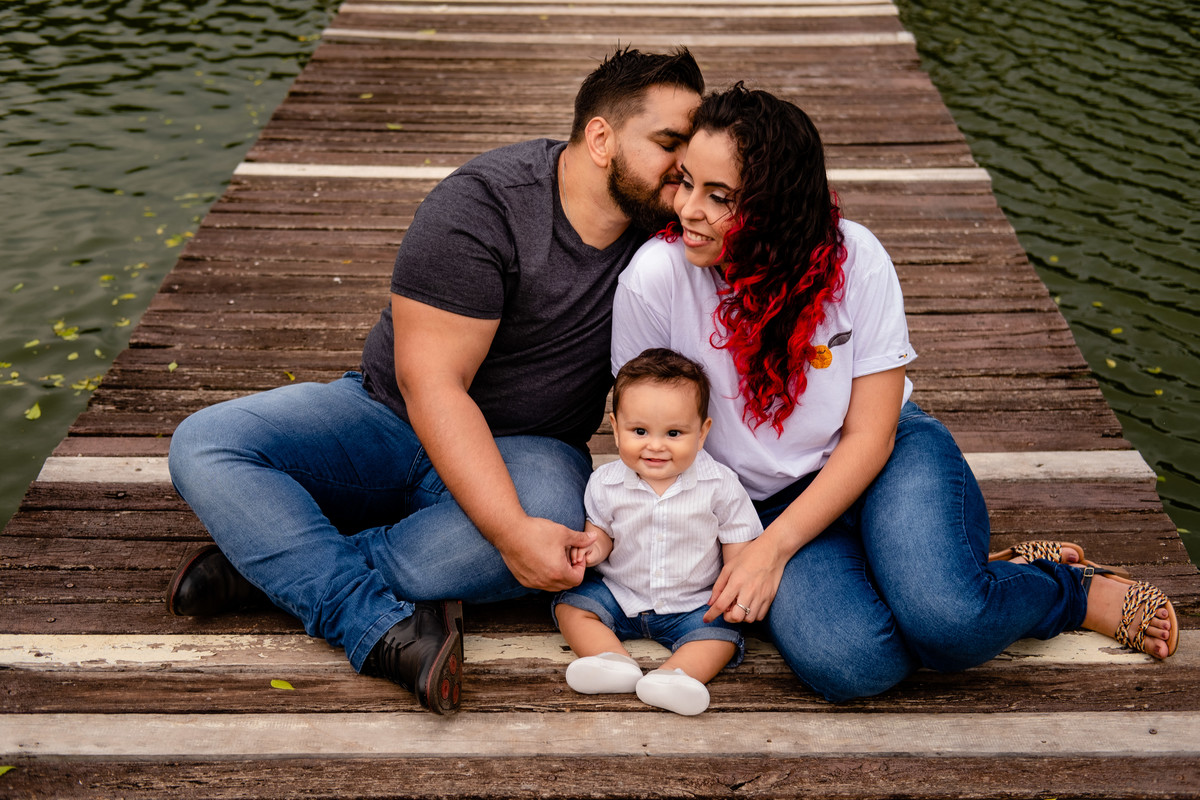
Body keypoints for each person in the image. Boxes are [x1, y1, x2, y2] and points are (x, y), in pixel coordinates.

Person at [164, 46, 705, 715]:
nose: (687, 167)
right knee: (207, 444)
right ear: (601, 138)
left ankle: (268, 567)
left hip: (527, 447)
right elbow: (431, 387)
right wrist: (507, 533)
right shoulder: (483, 205)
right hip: (387, 419)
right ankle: (374, 625)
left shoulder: (675, 234)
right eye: (668, 142)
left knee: (558, 527)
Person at [611, 83, 1178, 703]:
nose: (688, 209)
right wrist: (746, 541)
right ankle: (977, 577)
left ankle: (1065, 590)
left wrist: (774, 553)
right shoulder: (654, 280)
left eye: (719, 197)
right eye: (686, 182)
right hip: (759, 504)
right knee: (852, 663)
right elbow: (647, 429)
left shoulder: (857, 259)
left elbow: (871, 433)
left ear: (772, 205)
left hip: (883, 457)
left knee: (951, 625)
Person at [553, 348, 762, 715]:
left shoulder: (719, 485)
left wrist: (733, 588)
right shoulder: (605, 483)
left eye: (674, 433)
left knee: (720, 637)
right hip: (621, 594)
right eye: (639, 431)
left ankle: (676, 677)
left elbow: (737, 540)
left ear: (702, 433)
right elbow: (600, 532)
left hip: (692, 602)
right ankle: (611, 661)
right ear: (616, 430)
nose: (655, 445)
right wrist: (593, 550)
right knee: (572, 606)